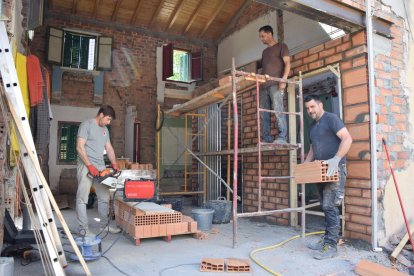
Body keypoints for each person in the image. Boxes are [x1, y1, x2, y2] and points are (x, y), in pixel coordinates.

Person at [303, 95, 352, 259]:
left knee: (329, 207)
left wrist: (336, 159)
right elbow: (312, 149)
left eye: (312, 107)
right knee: (325, 207)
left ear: (320, 105)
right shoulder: (312, 126)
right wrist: (305, 165)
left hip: (335, 169)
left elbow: (347, 138)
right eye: (307, 108)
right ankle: (326, 240)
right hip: (321, 170)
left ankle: (331, 245)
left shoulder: (331, 119)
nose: (310, 110)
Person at [76, 105, 121, 235]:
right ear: (101, 115)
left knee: (104, 198)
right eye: (108, 119)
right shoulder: (87, 125)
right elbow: (80, 147)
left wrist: (114, 163)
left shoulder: (105, 130)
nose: (108, 122)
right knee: (82, 198)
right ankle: (83, 229)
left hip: (101, 167)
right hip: (85, 165)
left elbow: (109, 148)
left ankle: (104, 226)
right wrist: (89, 166)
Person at [258, 25, 291, 144]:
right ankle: (266, 138)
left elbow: (287, 63)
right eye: (260, 37)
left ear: (270, 34)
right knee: (263, 114)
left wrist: (284, 79)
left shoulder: (282, 46)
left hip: (275, 84)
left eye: (263, 36)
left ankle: (282, 137)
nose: (261, 39)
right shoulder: (265, 52)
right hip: (264, 86)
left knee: (278, 110)